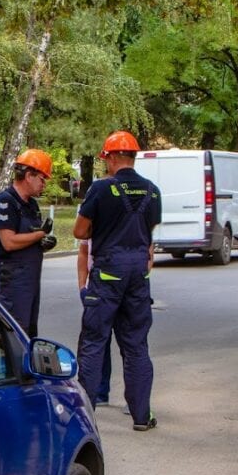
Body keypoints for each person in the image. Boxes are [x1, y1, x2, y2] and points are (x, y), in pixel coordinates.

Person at [73, 131, 161, 430]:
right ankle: (141, 416)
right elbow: (149, 235)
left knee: (94, 343)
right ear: (133, 156)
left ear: (111, 157)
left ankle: (85, 416)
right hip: (139, 275)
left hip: (108, 275)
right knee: (136, 345)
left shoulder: (101, 189)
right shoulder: (153, 191)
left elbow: (80, 232)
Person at [0, 148, 57, 338]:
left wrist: (42, 242)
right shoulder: (6, 202)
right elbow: (8, 242)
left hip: (31, 275)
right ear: (29, 176)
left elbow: (29, 236)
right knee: (15, 331)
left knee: (29, 331)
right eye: (42, 179)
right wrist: (40, 234)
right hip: (12, 276)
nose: (44, 185)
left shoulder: (31, 205)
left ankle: (27, 367)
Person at [77, 238, 112, 405]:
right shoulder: (92, 214)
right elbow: (83, 251)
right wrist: (82, 286)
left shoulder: (132, 214)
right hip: (96, 287)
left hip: (126, 286)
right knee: (97, 341)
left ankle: (135, 398)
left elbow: (147, 251)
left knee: (130, 344)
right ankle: (99, 393)